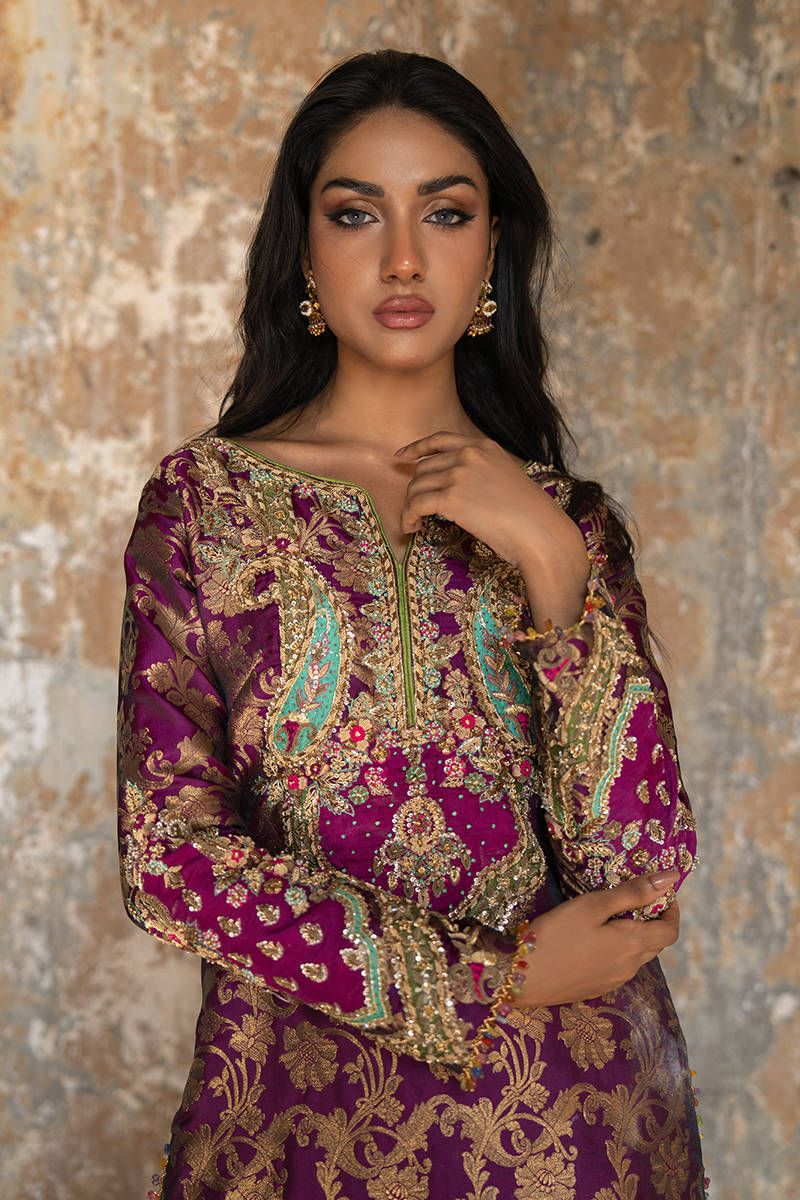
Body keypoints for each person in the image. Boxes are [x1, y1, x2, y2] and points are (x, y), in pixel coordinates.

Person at [117, 49, 706, 1200]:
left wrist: (549, 561)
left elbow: (635, 873)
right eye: (355, 214)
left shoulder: (567, 523)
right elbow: (171, 863)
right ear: (302, 251)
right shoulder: (204, 505)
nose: (401, 257)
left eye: (444, 213)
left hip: (572, 1136)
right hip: (292, 1131)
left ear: (491, 251)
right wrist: (491, 976)